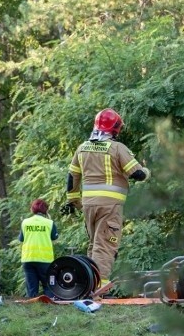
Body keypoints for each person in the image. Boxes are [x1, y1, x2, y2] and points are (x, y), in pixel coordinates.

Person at [63, 108, 150, 288]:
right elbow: (138, 174)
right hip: (110, 206)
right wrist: (149, 172)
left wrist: (73, 201)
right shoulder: (117, 148)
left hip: (88, 205)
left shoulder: (82, 148)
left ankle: (86, 283)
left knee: (95, 244)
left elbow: (72, 177)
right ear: (115, 128)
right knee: (105, 246)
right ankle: (99, 286)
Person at [18, 199, 58, 298]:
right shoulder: (49, 223)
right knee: (48, 286)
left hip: (28, 258)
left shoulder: (25, 222)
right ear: (46, 210)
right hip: (45, 259)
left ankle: (33, 306)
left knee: (31, 287)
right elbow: (55, 237)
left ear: (32, 209)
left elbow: (21, 239)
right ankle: (49, 306)